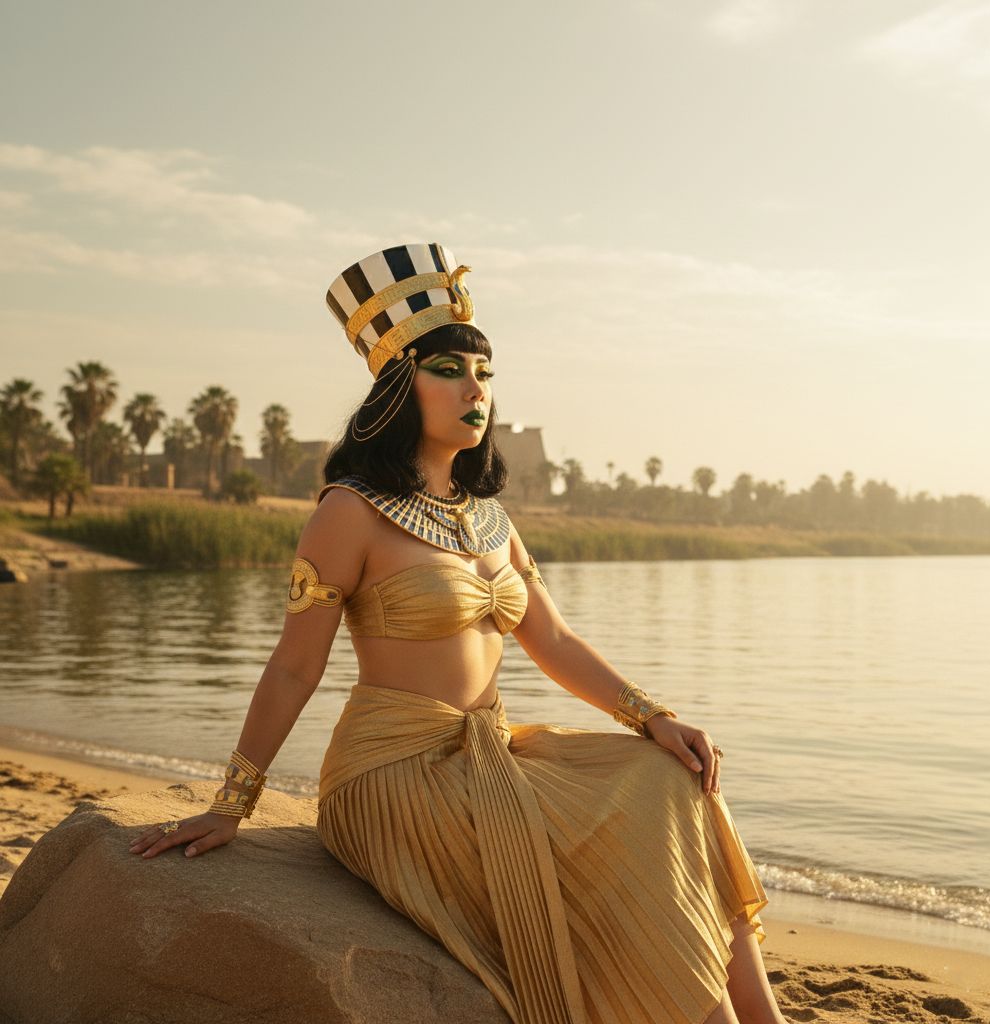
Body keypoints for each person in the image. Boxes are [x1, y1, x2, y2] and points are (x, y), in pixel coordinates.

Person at [129, 243, 785, 1024]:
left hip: (494, 752)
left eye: (485, 375)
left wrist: (653, 715)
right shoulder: (349, 511)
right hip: (396, 771)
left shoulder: (493, 521)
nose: (477, 389)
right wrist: (233, 802)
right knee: (612, 852)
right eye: (451, 370)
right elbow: (294, 668)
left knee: (675, 779)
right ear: (399, 390)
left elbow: (556, 641)